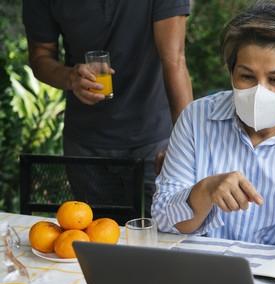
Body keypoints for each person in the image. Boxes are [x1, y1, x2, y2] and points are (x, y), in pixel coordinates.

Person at [152, 1, 275, 248]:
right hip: (203, 272)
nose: (259, 92)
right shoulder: (195, 118)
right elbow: (163, 221)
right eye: (247, 77)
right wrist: (205, 190)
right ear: (230, 72)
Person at [22, 0, 193, 219]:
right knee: (97, 241)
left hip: (153, 141)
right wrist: (70, 78)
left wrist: (186, 145)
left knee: (165, 236)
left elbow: (174, 59)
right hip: (85, 146)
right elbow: (40, 56)